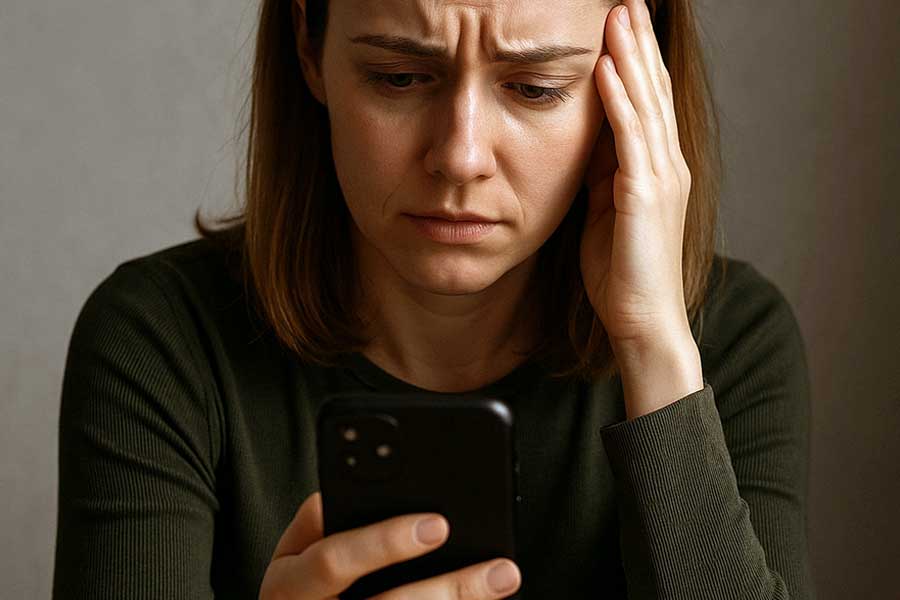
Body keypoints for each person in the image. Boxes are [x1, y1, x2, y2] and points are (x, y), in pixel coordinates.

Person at [52, 0, 815, 598]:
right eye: (398, 77)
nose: (460, 155)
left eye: (535, 88)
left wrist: (654, 345)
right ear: (309, 46)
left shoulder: (731, 341)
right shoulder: (160, 340)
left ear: (636, 80)